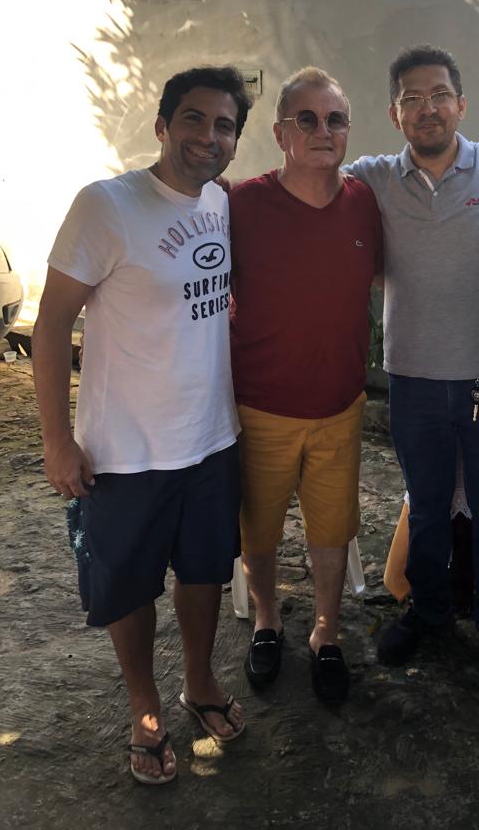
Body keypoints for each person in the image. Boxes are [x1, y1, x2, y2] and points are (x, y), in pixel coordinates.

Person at [33, 66, 251, 785]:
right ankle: (144, 708)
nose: (208, 136)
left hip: (211, 439)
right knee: (127, 587)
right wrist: (57, 440)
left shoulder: (220, 202)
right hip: (125, 450)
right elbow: (50, 326)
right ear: (162, 126)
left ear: (235, 141)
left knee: (204, 572)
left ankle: (200, 682)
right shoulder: (107, 205)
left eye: (224, 126)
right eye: (193, 119)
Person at [344, 45, 479, 681]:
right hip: (415, 377)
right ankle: (428, 611)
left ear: (461, 104)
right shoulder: (371, 177)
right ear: (394, 114)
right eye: (412, 99)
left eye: (440, 95)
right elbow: (310, 189)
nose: (428, 109)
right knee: (425, 506)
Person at [230, 67, 382, 703]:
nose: (323, 130)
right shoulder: (241, 204)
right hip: (259, 406)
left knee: (331, 530)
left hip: (340, 406)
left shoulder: (364, 203)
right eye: (307, 119)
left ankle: (326, 630)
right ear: (280, 133)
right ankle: (267, 620)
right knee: (258, 532)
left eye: (335, 119)